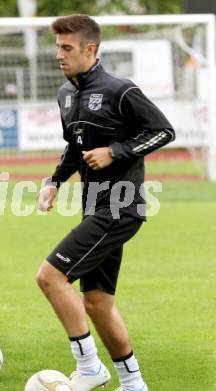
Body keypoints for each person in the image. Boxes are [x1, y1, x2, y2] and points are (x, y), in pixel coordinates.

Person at [36, 14, 175, 391]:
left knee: (50, 277)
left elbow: (163, 130)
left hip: (120, 207)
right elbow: (74, 147)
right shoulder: (66, 93)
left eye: (67, 48)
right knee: (97, 303)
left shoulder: (120, 90)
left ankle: (89, 367)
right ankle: (133, 385)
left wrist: (116, 151)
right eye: (58, 47)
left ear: (90, 49)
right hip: (94, 207)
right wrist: (55, 181)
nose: (59, 55)